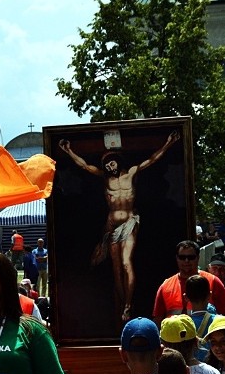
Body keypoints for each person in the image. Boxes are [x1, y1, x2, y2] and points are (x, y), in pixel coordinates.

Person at [59, 131, 180, 321]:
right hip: (112, 226)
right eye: (106, 164)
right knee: (116, 270)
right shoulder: (105, 178)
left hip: (130, 221)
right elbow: (84, 166)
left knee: (126, 262)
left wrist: (168, 143)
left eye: (111, 162)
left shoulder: (131, 173)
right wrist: (68, 151)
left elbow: (151, 160)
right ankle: (124, 307)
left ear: (118, 161)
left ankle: (128, 304)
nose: (109, 166)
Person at [152, 240, 225, 325]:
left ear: (198, 258)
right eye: (182, 257)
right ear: (177, 258)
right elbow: (158, 320)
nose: (186, 261)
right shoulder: (166, 285)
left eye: (191, 257)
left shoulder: (213, 281)